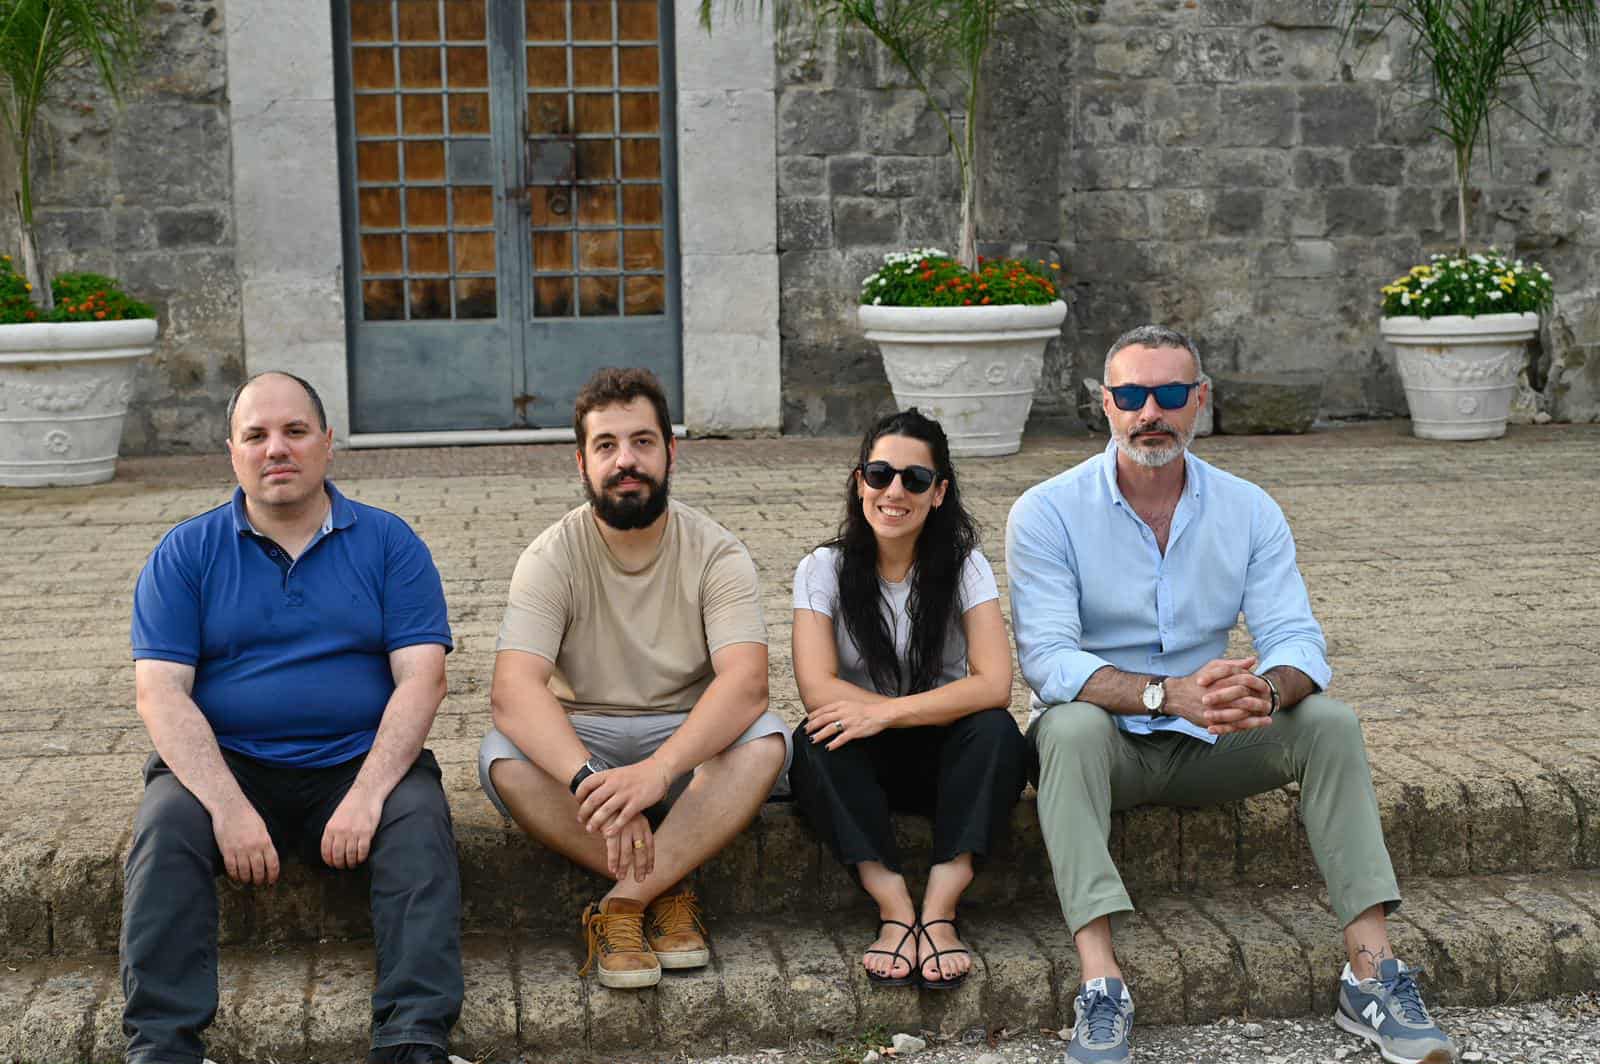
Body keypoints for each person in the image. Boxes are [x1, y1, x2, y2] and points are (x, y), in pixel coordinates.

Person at [1006, 325, 1456, 1064]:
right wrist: (1168, 695)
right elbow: (1048, 662)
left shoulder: (1248, 508)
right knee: (1068, 727)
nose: (1150, 412)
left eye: (1170, 393)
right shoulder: (1047, 510)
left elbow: (1298, 641)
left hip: (1215, 734)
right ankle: (1101, 984)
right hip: (1107, 746)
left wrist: (1263, 692)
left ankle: (1371, 973)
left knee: (1329, 723)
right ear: (1106, 404)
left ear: (1200, 400)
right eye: (1131, 395)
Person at [125, 372, 462, 1064]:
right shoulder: (185, 553)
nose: (275, 449)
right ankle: (162, 1047)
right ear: (233, 452)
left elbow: (423, 678)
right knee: (164, 826)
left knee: (420, 820)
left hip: (357, 759)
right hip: (229, 763)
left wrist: (367, 795)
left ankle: (412, 1039)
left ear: (328, 443)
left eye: (295, 431)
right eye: (256, 435)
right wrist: (227, 807)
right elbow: (160, 694)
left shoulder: (391, 544)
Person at [479, 367, 790, 990]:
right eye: (606, 445)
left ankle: (621, 904)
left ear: (670, 452)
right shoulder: (551, 555)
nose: (626, 460)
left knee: (766, 741)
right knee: (502, 756)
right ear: (582, 462)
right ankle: (667, 889)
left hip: (686, 740)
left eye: (642, 442)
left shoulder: (717, 551)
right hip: (583, 737)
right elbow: (513, 691)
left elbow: (746, 683)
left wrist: (658, 770)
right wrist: (590, 780)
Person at [788, 409, 1027, 990]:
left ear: (938, 492)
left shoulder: (966, 567)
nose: (894, 492)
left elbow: (995, 683)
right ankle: (894, 907)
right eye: (880, 475)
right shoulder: (823, 568)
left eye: (915, 479)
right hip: (864, 754)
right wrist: (873, 718)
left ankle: (940, 910)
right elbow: (816, 686)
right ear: (859, 482)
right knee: (811, 741)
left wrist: (887, 712)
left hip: (941, 751)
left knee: (998, 732)